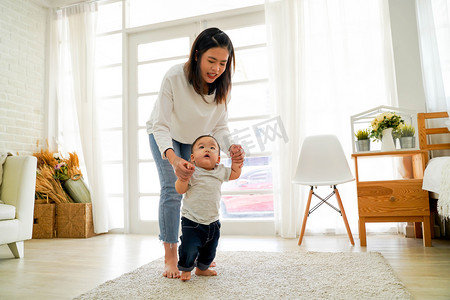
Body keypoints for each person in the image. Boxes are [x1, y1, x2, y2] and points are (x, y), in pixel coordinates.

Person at [147, 27, 245, 279]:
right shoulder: (174, 77)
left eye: (223, 63)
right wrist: (172, 157)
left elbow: (220, 126)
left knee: (199, 190)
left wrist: (230, 146)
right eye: (211, 61)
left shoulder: (222, 86)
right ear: (197, 55)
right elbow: (161, 125)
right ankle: (171, 254)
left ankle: (199, 255)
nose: (216, 69)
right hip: (166, 134)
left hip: (197, 141)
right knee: (172, 189)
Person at [175, 135, 242, 281]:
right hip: (192, 221)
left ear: (218, 159)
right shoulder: (191, 171)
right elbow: (180, 190)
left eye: (212, 148)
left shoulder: (220, 171)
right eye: (201, 147)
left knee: (210, 248)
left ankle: (202, 268)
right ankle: (186, 269)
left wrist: (236, 163)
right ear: (192, 157)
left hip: (213, 221)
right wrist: (183, 179)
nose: (207, 149)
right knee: (189, 247)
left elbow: (234, 174)